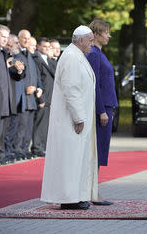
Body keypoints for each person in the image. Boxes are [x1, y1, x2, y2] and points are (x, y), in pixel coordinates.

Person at [41, 25, 99, 210]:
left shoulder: (76, 55)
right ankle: (69, 199)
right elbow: (71, 90)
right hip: (70, 120)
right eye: (90, 40)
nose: (92, 43)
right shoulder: (72, 57)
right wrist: (79, 118)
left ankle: (76, 196)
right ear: (80, 40)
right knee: (69, 160)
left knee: (75, 159)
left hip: (74, 118)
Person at [86, 20, 118, 205]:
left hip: (106, 106)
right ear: (96, 34)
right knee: (97, 151)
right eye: (106, 32)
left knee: (99, 151)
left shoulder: (99, 53)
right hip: (102, 108)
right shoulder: (94, 54)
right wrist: (100, 111)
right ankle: (93, 192)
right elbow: (94, 85)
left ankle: (93, 190)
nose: (109, 35)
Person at [13, 30, 42, 160]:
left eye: (28, 38)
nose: (26, 40)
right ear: (19, 39)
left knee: (28, 127)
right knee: (21, 126)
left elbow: (35, 76)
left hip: (32, 98)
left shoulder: (30, 56)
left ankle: (24, 149)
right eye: (23, 38)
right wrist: (26, 88)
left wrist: (38, 88)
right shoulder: (16, 54)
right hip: (22, 97)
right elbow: (17, 76)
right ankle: (17, 150)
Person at [0, 25, 24, 165]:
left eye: (7, 37)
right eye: (2, 36)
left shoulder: (6, 53)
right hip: (0, 97)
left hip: (8, 97)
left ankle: (1, 154)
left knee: (4, 129)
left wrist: (19, 70)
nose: (5, 39)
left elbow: (16, 76)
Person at [31, 37, 56, 157]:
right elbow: (38, 79)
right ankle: (36, 147)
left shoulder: (49, 60)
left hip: (50, 97)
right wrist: (40, 99)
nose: (47, 49)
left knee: (46, 124)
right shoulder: (36, 59)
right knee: (39, 123)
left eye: (48, 47)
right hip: (42, 97)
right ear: (38, 47)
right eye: (44, 47)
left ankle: (43, 146)